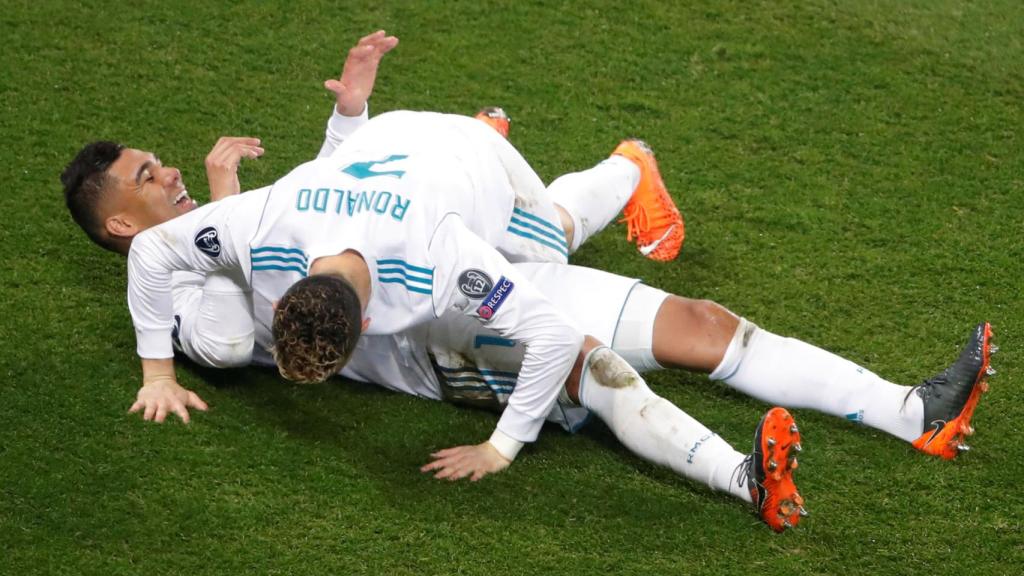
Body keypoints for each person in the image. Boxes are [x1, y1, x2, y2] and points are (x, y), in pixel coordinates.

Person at [60, 31, 689, 496]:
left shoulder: (211, 238)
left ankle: (616, 167)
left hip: (391, 280)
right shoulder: (177, 291)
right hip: (398, 320)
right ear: (121, 223)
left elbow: (327, 192)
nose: (169, 172)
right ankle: (609, 166)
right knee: (544, 241)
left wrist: (350, 115)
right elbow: (224, 344)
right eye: (146, 176)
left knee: (543, 234)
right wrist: (158, 374)